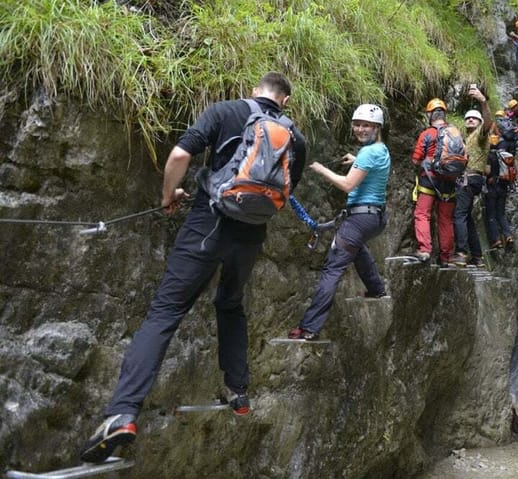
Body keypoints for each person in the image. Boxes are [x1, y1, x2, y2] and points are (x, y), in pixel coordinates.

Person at [79, 72, 307, 463]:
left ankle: (122, 413)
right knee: (230, 305)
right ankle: (238, 393)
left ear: (255, 91)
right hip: (250, 237)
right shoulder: (297, 139)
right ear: (285, 101)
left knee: (165, 312)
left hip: (208, 225)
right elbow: (285, 191)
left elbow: (181, 155)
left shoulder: (225, 111)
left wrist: (169, 196)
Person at [288, 104, 390, 340]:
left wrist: (321, 169)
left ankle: (309, 327)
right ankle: (376, 288)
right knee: (356, 247)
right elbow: (374, 166)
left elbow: (347, 185)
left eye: (366, 125)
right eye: (357, 124)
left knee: (332, 268)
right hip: (376, 218)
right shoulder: (380, 150)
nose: (360, 129)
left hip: (360, 217)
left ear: (377, 127)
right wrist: (357, 161)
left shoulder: (368, 153)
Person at [411, 98, 457, 266]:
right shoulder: (455, 132)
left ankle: (424, 250)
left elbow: (416, 160)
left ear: (430, 115)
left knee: (422, 214)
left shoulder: (427, 134)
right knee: (446, 219)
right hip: (450, 182)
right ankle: (445, 257)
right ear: (445, 114)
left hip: (429, 180)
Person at [450, 86, 492, 268]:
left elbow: (489, 123)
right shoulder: (467, 139)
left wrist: (483, 101)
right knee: (466, 217)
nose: (470, 120)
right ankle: (477, 256)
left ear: (479, 122)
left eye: (474, 118)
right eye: (468, 118)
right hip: (473, 180)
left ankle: (461, 253)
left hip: (470, 179)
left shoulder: (481, 135)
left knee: (458, 215)